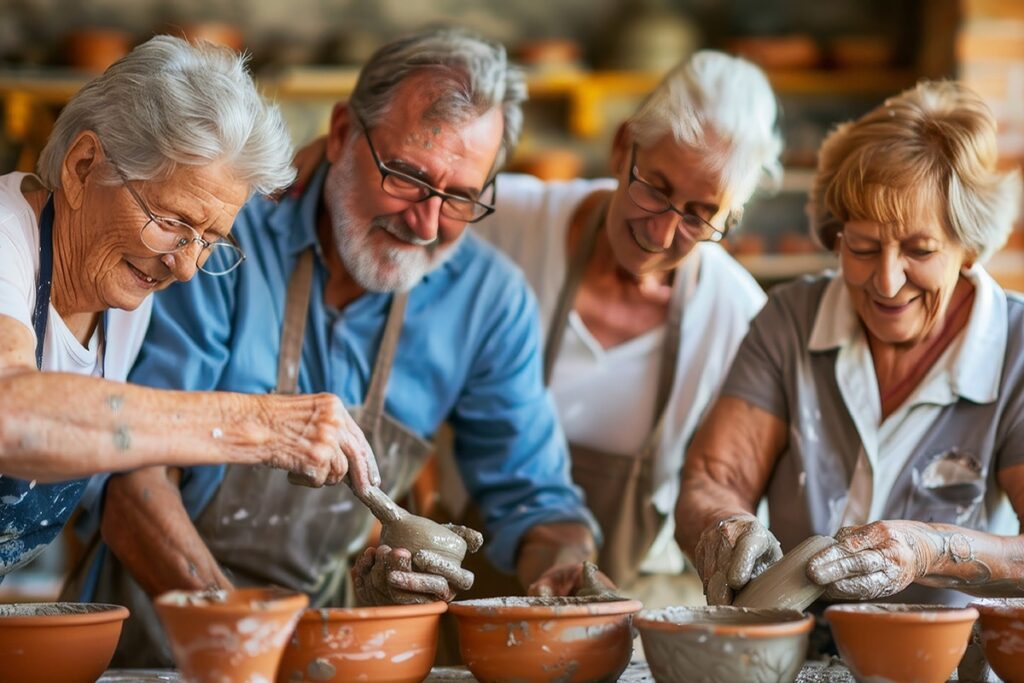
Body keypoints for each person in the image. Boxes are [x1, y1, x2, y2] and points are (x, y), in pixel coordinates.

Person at [71, 28, 600, 668]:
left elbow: (537, 499)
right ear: (346, 131)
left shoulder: (487, 301)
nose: (426, 224)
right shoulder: (220, 240)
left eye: (460, 197)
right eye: (406, 176)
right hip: (155, 641)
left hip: (324, 645)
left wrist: (567, 567)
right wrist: (238, 633)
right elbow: (132, 468)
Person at [0, 36, 378, 582]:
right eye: (174, 222)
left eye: (209, 239)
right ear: (84, 167)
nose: (185, 268)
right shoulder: (7, 237)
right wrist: (262, 426)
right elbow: (15, 416)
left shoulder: (125, 303)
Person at [676, 80, 1024, 609]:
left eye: (919, 250)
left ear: (969, 247)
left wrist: (927, 550)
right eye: (861, 247)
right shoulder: (792, 321)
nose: (886, 281)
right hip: (794, 652)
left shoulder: (1015, 346)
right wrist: (723, 527)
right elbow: (712, 480)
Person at [471, 50, 779, 595]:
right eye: (656, 189)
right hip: (479, 573)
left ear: (731, 219)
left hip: (638, 590)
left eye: (700, 214)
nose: (661, 234)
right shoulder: (503, 223)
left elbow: (728, 486)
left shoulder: (738, 316)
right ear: (621, 149)